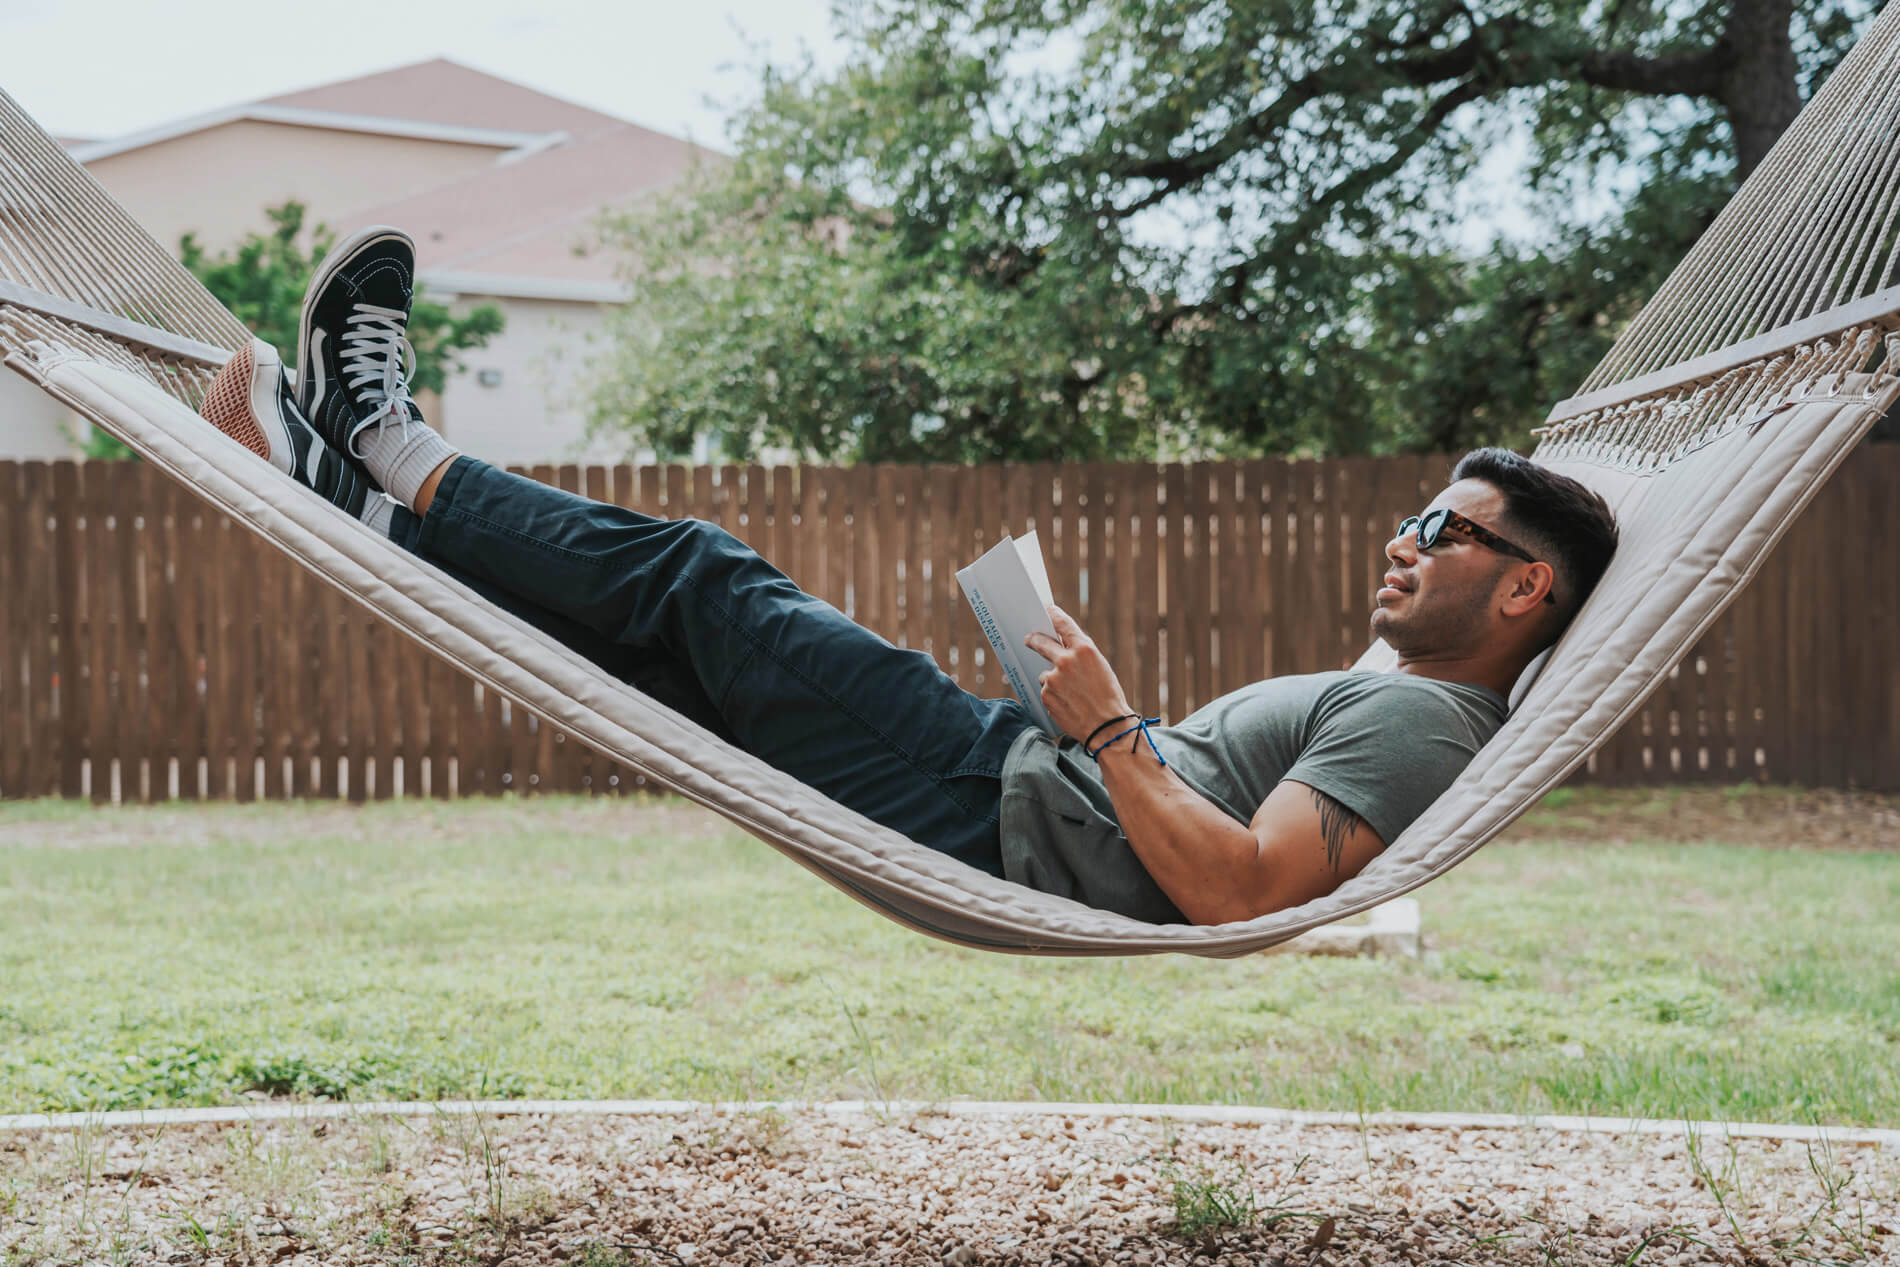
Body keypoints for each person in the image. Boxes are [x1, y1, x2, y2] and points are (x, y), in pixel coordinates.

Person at [200, 226, 1619, 927]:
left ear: (1522, 591)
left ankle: (383, 440)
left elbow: (1243, 892)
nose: (1404, 539)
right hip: (1007, 792)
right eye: (1414, 515)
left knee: (703, 586)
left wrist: (1108, 731)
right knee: (669, 663)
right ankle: (350, 493)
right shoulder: (1415, 700)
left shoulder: (1427, 719)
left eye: (1444, 529)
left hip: (997, 803)